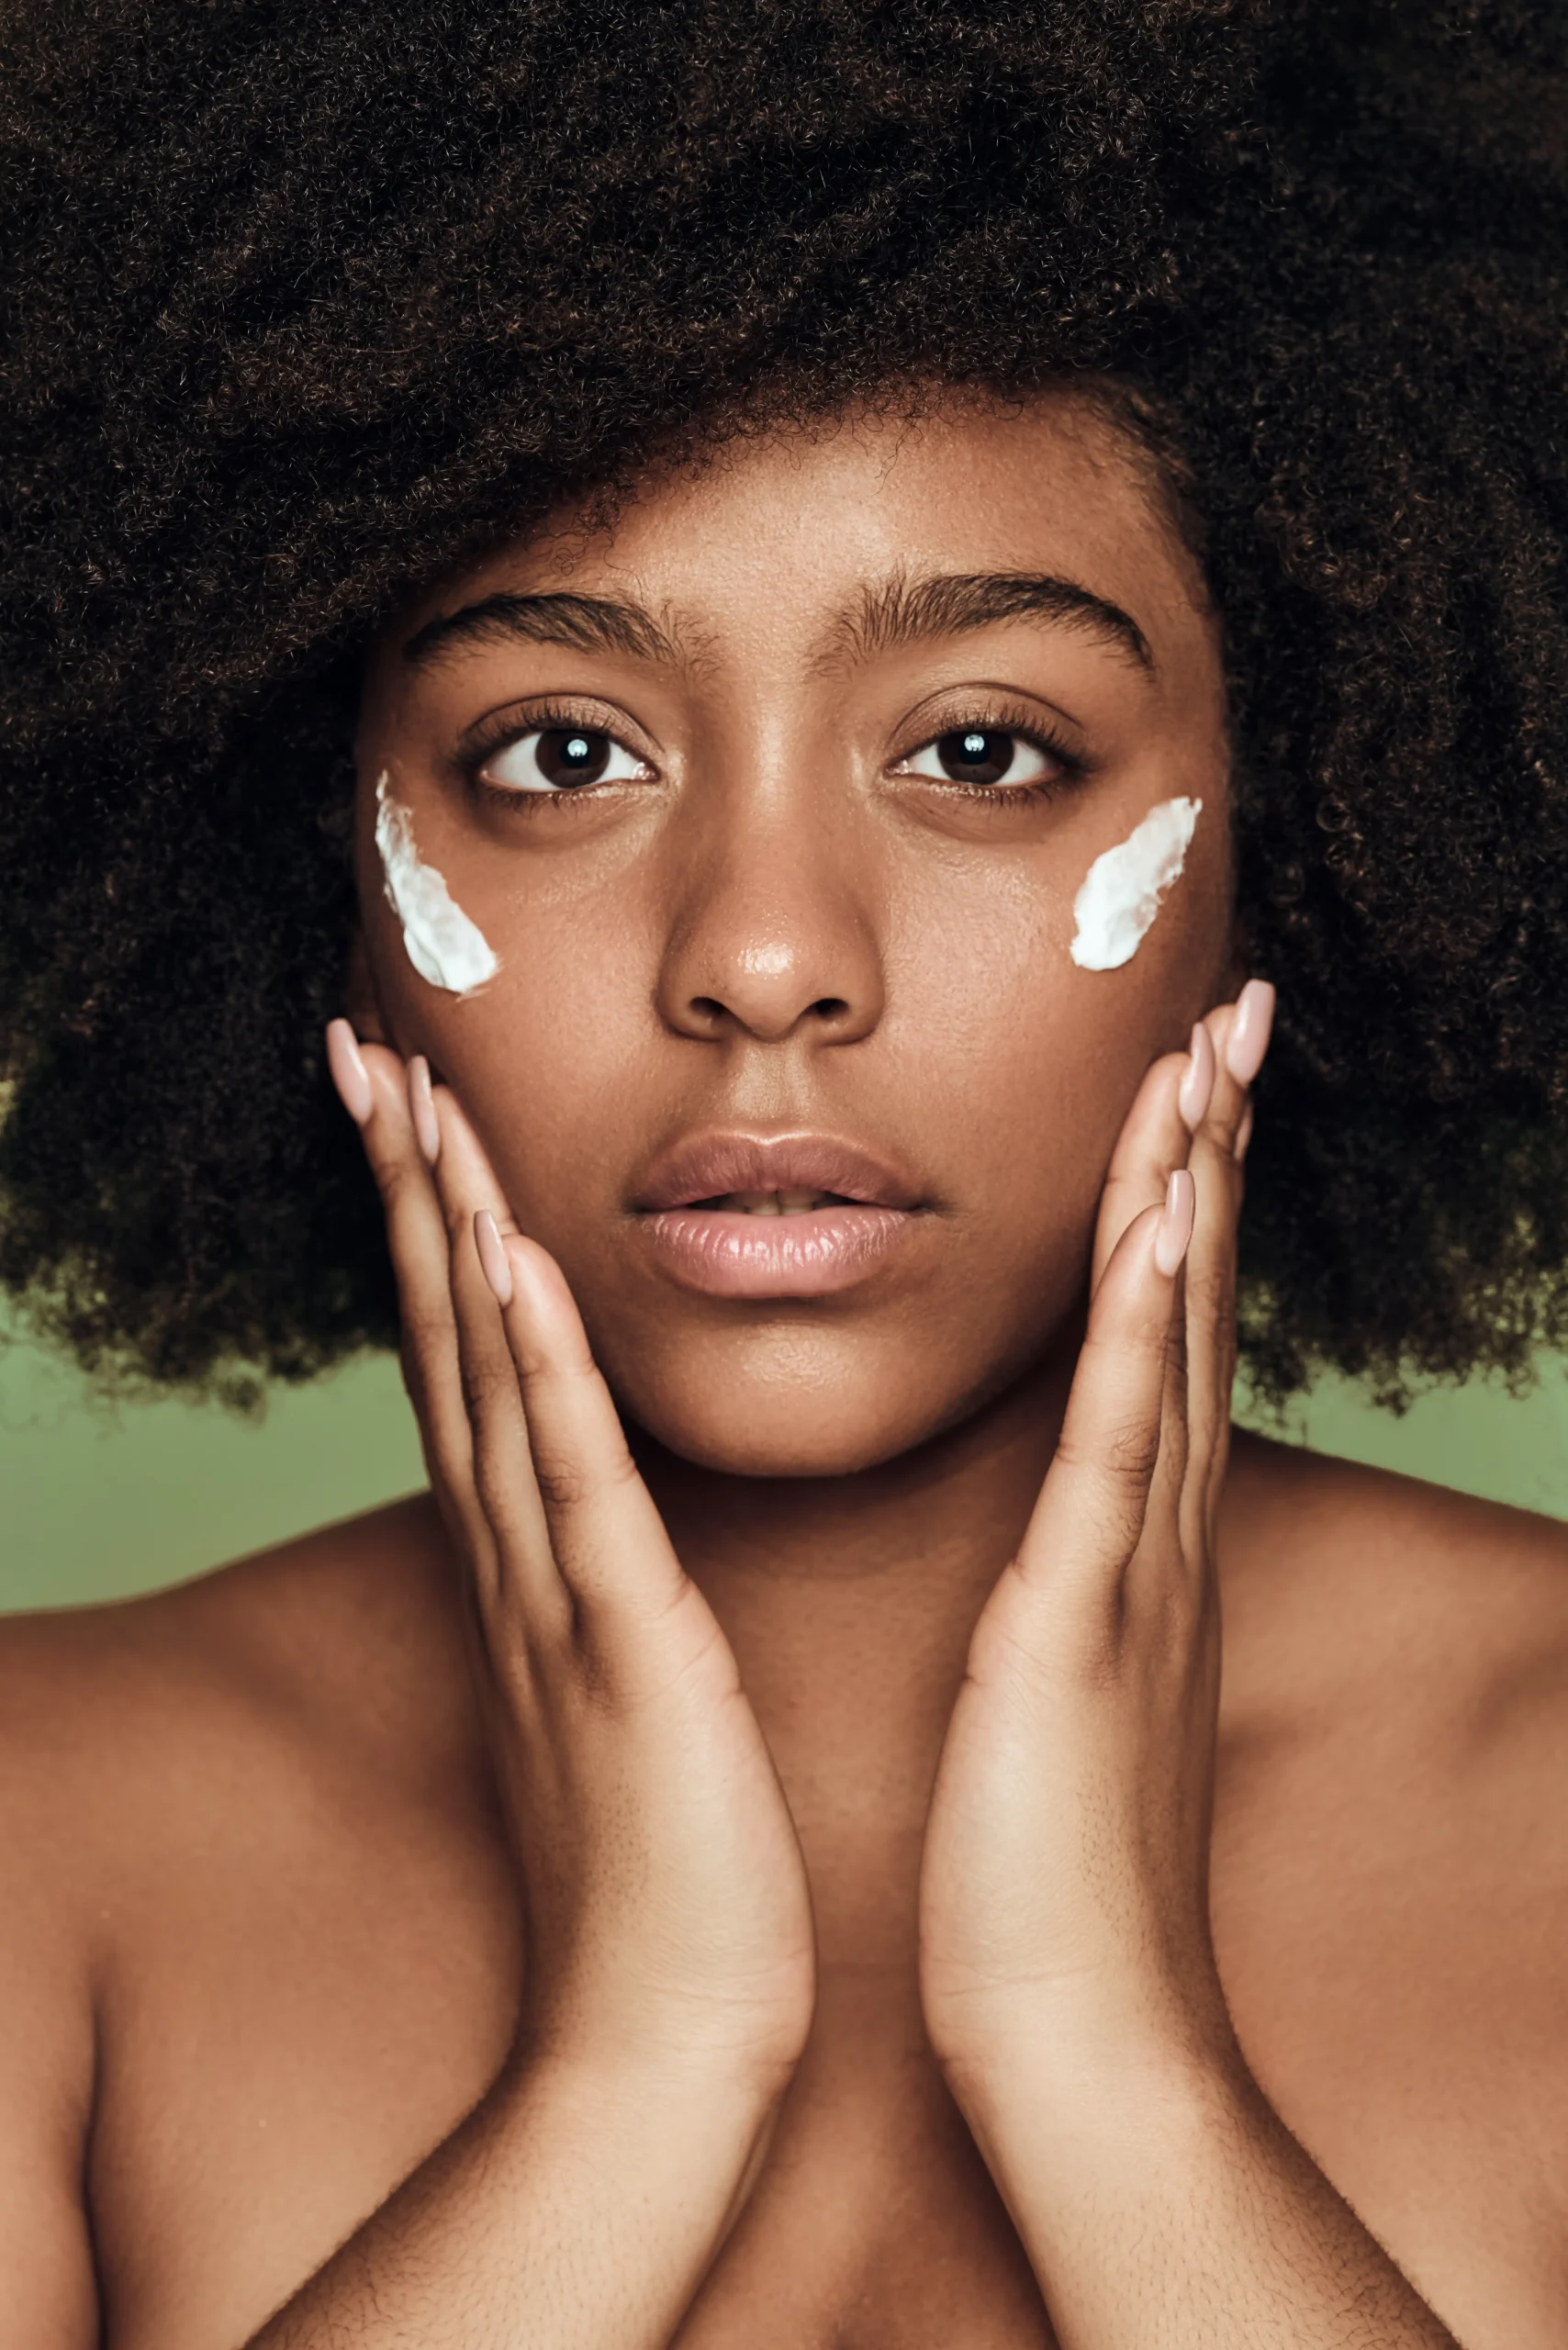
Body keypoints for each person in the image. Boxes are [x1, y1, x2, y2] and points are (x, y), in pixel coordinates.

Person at [2, 3, 1566, 2343]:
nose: (757, 954)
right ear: (302, 848)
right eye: (556, 749)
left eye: (973, 746)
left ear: (1319, 818)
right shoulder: (45, 1828)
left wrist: (1105, 2046)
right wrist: (632, 2063)